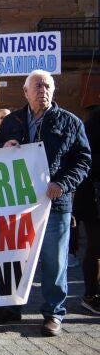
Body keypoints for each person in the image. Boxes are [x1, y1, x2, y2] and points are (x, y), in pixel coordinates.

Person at [0, 69, 91, 337]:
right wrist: (3, 148)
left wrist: (63, 184)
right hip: (17, 207)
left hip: (54, 205)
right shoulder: (13, 121)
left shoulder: (70, 122)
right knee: (14, 259)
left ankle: (54, 313)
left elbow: (83, 160)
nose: (43, 90)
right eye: (38, 86)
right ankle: (11, 307)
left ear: (53, 91)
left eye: (47, 86)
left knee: (54, 261)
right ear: (25, 92)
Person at [73, 105, 100, 314]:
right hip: (93, 198)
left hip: (89, 197)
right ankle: (91, 295)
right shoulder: (91, 125)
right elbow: (85, 161)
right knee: (95, 247)